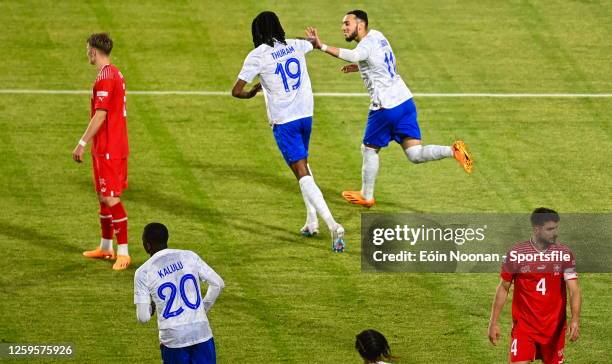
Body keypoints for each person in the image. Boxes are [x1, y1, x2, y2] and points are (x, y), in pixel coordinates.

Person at [306, 10, 473, 208]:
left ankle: (366, 196)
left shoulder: (365, 44)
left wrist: (321, 46)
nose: (343, 27)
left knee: (368, 148)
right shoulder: (378, 36)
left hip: (386, 106)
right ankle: (453, 150)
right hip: (405, 101)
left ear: (360, 25)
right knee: (415, 154)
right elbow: (386, 61)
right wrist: (362, 67)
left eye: (347, 24)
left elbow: (353, 55)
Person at [232, 11, 346, 252]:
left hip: (285, 121)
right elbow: (312, 43)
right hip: (306, 115)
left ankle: (332, 224)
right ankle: (311, 221)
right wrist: (312, 39)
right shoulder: (295, 45)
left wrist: (251, 93)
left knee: (301, 172)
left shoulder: (257, 56)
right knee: (303, 165)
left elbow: (236, 90)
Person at [488, 208, 581, 364]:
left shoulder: (564, 254)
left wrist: (575, 320)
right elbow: (503, 288)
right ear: (536, 229)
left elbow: (574, 290)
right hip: (524, 328)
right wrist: (493, 322)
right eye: (550, 229)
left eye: (556, 228)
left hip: (554, 329)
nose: (555, 233)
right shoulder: (516, 254)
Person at [72, 33, 131, 270]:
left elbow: (101, 114)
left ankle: (124, 252)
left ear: (94, 51)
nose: (87, 53)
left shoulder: (107, 77)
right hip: (104, 146)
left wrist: (82, 142)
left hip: (110, 146)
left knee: (110, 197)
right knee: (102, 196)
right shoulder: (112, 73)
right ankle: (106, 246)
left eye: (88, 50)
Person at [134, 223, 224, 364]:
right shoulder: (189, 256)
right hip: (201, 331)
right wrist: (202, 309)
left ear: (147, 245)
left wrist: (151, 307)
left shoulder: (143, 272)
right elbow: (218, 284)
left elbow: (143, 317)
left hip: (173, 339)